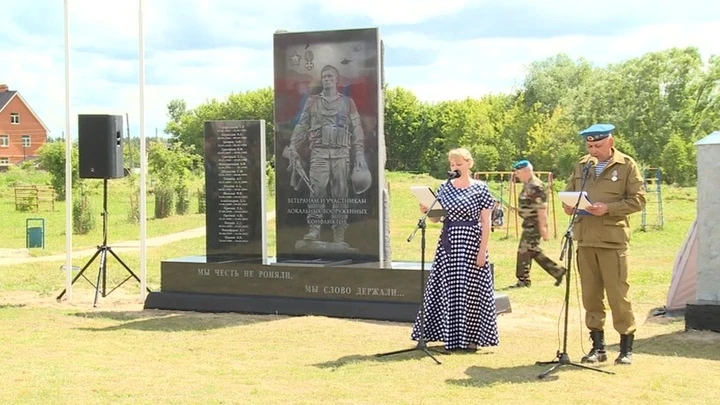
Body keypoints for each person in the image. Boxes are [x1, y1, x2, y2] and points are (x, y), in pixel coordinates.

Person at [562, 123, 645, 365]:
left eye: (597, 145)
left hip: (612, 240)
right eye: (589, 145)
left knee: (618, 295)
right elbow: (569, 191)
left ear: (610, 142)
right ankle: (597, 348)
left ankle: (625, 347)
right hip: (585, 238)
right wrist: (568, 206)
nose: (593, 150)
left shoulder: (626, 165)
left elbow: (638, 200)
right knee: (590, 296)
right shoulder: (582, 165)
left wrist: (608, 209)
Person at [410, 148, 499, 352]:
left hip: (471, 243)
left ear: (469, 164)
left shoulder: (481, 188)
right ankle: (446, 335)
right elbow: (435, 218)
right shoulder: (444, 187)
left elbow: (486, 223)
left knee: (471, 292)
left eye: (459, 164)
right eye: (452, 165)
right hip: (449, 245)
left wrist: (482, 251)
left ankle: (471, 339)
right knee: (446, 290)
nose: (455, 168)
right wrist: (427, 209)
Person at [285, 64, 370, 246]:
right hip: (319, 153)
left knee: (340, 194)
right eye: (324, 76)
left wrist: (360, 153)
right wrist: (293, 145)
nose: (327, 79)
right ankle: (314, 230)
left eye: (330, 76)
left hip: (341, 154)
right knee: (317, 193)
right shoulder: (313, 101)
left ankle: (339, 233)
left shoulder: (347, 103)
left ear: (337, 80)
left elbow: (357, 128)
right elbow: (302, 125)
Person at [510, 159, 566, 288]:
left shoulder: (536, 186)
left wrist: (544, 228)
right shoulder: (527, 184)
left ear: (526, 171)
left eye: (518, 172)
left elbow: (542, 209)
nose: (517, 175)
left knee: (524, 251)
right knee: (532, 251)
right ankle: (557, 271)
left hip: (533, 226)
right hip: (528, 224)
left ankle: (523, 280)